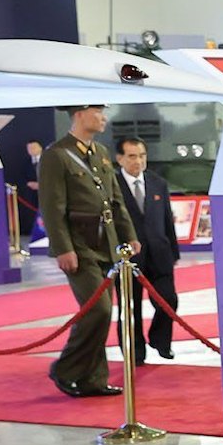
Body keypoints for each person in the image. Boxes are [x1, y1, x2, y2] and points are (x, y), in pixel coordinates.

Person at [38, 105, 138, 398]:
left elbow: (115, 200)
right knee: (98, 309)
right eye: (98, 111)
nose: (103, 117)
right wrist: (62, 248)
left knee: (102, 314)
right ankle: (66, 369)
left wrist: (128, 234)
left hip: (105, 243)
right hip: (78, 246)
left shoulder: (101, 153)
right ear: (80, 113)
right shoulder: (56, 155)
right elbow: (52, 208)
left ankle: (93, 378)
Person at [113, 137, 180, 363]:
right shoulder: (112, 185)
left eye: (142, 155)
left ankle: (161, 341)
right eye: (132, 156)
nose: (138, 161)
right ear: (119, 158)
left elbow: (167, 220)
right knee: (130, 308)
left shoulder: (157, 183)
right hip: (128, 258)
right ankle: (135, 352)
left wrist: (174, 252)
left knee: (168, 300)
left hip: (160, 255)